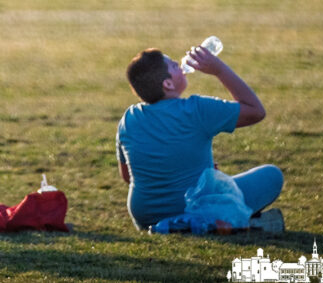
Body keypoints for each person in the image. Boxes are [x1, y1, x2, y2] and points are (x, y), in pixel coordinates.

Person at [115, 45, 283, 231]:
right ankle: (207, 223)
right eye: (174, 66)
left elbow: (127, 176)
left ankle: (181, 225)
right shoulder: (196, 109)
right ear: (168, 84)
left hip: (146, 216)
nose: (180, 66)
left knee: (216, 182)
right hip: (193, 207)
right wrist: (219, 69)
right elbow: (255, 111)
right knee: (272, 175)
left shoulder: (129, 118)